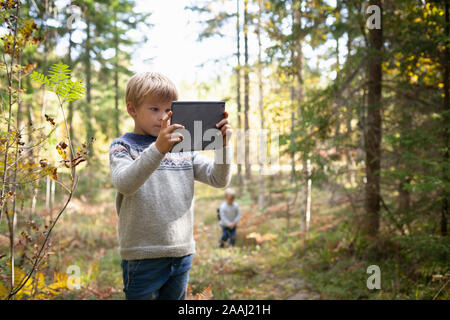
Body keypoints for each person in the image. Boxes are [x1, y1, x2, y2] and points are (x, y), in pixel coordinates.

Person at [108, 72, 233, 300]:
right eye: (154, 109)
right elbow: (125, 183)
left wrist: (222, 147)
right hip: (142, 259)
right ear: (132, 109)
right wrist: (158, 149)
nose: (162, 117)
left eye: (168, 110)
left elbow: (218, 179)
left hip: (181, 253)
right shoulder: (122, 146)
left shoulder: (182, 146)